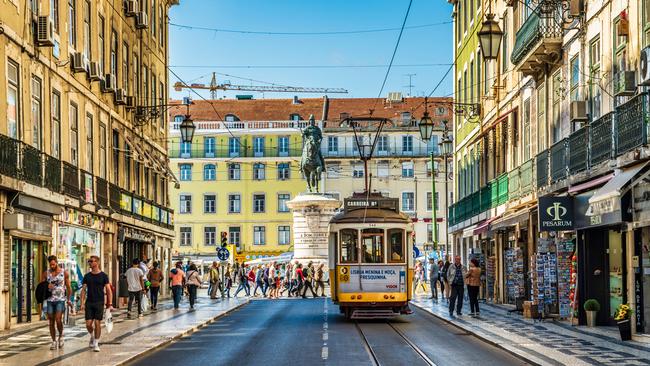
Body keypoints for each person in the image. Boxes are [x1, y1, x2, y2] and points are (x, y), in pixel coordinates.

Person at [79, 255, 112, 352]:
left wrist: (109, 304)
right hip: (89, 302)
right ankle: (92, 336)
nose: (89, 263)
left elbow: (108, 290)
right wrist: (82, 302)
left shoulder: (104, 276)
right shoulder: (87, 276)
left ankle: (96, 343)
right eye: (89, 261)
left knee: (97, 323)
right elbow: (83, 290)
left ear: (97, 263)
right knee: (88, 324)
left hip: (99, 302)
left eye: (91, 261)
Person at [42, 255, 72, 350]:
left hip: (60, 299)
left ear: (56, 262)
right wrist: (47, 286)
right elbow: (41, 286)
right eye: (50, 265)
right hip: (50, 300)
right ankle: (53, 341)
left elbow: (68, 287)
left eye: (53, 264)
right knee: (51, 320)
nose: (52, 266)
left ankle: (61, 336)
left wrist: (69, 299)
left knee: (58, 319)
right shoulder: (46, 273)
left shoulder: (64, 273)